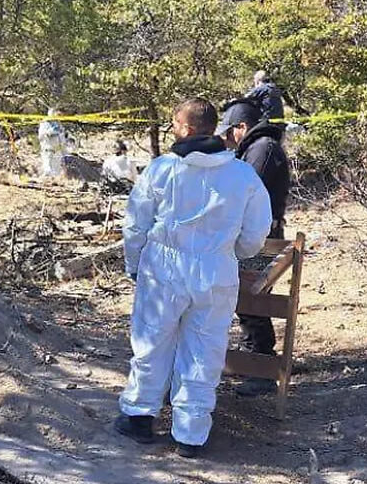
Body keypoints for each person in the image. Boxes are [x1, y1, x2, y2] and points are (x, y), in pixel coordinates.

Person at [116, 98, 272, 458]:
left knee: (152, 341)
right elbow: (256, 232)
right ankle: (190, 433)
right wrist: (234, 253)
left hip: (164, 267)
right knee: (205, 349)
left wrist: (135, 264)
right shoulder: (242, 175)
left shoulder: (162, 170)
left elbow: (136, 224)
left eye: (174, 124)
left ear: (185, 128)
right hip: (215, 270)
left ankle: (139, 417)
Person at [217, 98, 291, 397]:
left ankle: (261, 368)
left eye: (230, 132)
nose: (227, 138)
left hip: (261, 240)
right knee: (248, 301)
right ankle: (254, 361)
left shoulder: (262, 149)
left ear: (242, 127)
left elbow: (245, 194)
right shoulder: (259, 147)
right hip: (258, 237)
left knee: (252, 300)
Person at [38, 108, 67, 178]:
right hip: (48, 150)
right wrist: (52, 131)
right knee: (48, 170)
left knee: (57, 171)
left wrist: (64, 152)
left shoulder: (59, 124)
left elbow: (62, 138)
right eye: (58, 114)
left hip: (58, 151)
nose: (59, 116)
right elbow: (42, 135)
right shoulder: (45, 123)